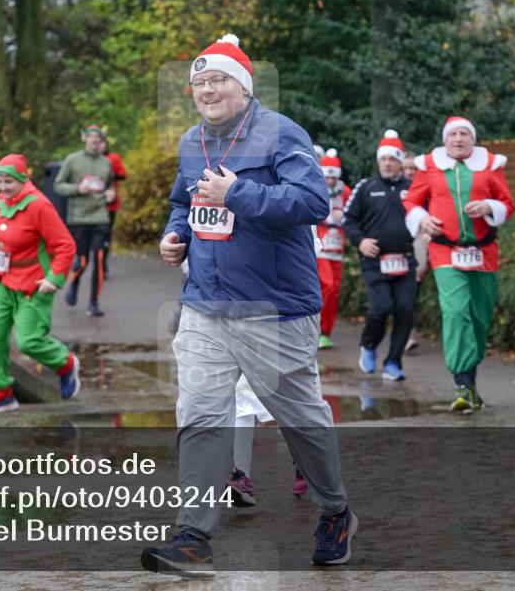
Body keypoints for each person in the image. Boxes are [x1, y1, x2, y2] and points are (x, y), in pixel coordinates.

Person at [143, 34, 354, 578]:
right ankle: (193, 536)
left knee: (300, 420)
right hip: (206, 306)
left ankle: (335, 511)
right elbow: (182, 203)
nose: (207, 90)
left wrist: (238, 193)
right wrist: (175, 237)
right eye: (199, 83)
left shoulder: (282, 133)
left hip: (275, 310)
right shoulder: (193, 142)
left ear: (243, 87)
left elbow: (312, 203)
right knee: (200, 415)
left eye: (218, 80)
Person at [402, 116, 514, 411]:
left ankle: (470, 381)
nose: (459, 139)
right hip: (445, 252)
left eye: (464, 134)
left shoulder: (490, 165)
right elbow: (411, 202)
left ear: (473, 139)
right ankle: (461, 380)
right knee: (455, 312)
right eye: (453, 135)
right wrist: (422, 219)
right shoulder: (430, 167)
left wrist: (489, 206)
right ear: (445, 140)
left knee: (479, 316)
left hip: (483, 251)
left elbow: (507, 203)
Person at [0, 154, 81, 413]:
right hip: (2, 283)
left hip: (33, 284)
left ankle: (65, 363)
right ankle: (0, 394)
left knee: (28, 341)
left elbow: (65, 246)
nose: (3, 188)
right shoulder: (0, 203)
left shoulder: (39, 205)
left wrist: (54, 278)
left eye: (8, 182)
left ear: (22, 179)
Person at [343, 130, 416, 381]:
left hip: (405, 260)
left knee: (406, 311)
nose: (387, 163)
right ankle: (369, 344)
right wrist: (360, 241)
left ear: (400, 163)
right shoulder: (366, 187)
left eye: (392, 159)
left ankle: (393, 362)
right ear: (378, 161)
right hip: (375, 261)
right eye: (383, 158)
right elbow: (348, 219)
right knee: (381, 307)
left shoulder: (412, 188)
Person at [53, 124, 114, 316]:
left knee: (99, 258)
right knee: (83, 260)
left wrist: (111, 194)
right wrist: (78, 189)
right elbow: (58, 186)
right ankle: (74, 282)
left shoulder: (106, 163)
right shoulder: (72, 160)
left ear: (101, 141)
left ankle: (94, 303)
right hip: (78, 218)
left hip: (101, 217)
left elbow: (109, 187)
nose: (95, 140)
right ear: (85, 139)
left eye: (98, 137)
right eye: (91, 137)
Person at [315, 148, 351, 349]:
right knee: (326, 285)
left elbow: (353, 213)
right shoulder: (315, 186)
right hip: (320, 246)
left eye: (333, 178)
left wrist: (342, 217)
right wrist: (329, 218)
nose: (329, 181)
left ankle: (326, 331)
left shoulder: (345, 191)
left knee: (334, 289)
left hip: (337, 246)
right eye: (326, 177)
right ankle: (317, 328)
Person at [401, 150, 425, 354]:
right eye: (406, 168)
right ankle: (407, 331)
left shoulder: (427, 186)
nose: (409, 172)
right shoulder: (394, 188)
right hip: (397, 245)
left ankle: (409, 332)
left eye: (413, 169)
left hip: (421, 240)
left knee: (413, 287)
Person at [101, 133, 127, 277]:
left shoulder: (113, 158)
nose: (100, 145)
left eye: (102, 142)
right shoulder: (89, 160)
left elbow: (123, 175)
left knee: (105, 235)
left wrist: (109, 175)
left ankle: (103, 263)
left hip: (110, 204)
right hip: (92, 205)